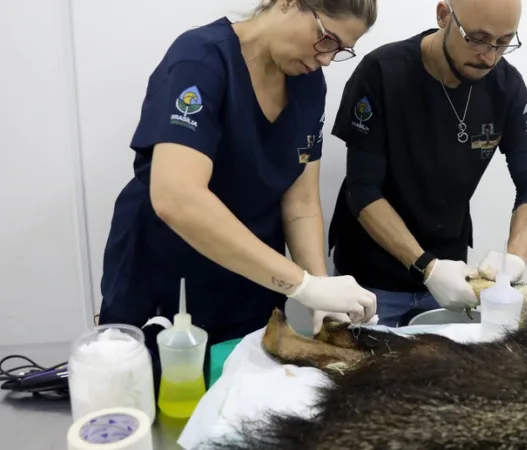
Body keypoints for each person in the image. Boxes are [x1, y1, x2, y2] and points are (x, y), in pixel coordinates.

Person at [98, 0, 380, 346]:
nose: (326, 59)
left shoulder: (308, 84)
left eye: (340, 51)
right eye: (327, 39)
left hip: (254, 276)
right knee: (164, 373)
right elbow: (177, 198)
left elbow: (301, 203)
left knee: (247, 369)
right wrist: (303, 285)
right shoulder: (201, 60)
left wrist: (321, 289)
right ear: (289, 3)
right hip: (169, 272)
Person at [327, 0, 527, 327]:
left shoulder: (506, 86)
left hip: (451, 276)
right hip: (370, 281)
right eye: (477, 39)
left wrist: (515, 259)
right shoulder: (382, 72)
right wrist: (426, 267)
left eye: (504, 42)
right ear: (444, 15)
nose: (489, 57)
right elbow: (363, 190)